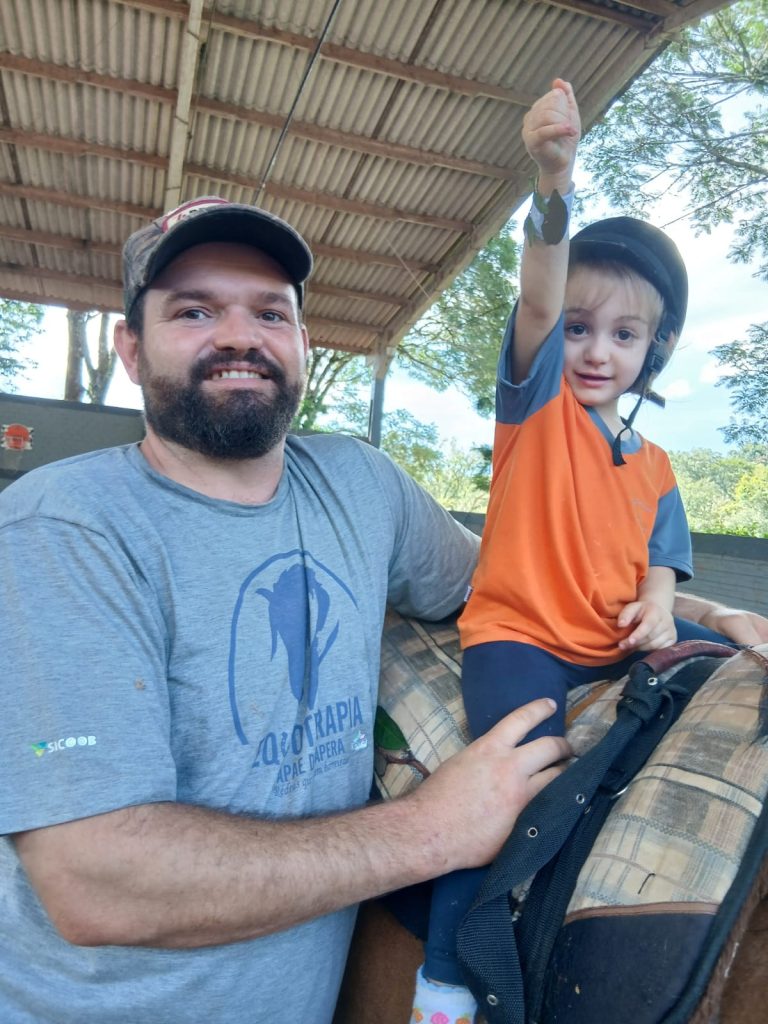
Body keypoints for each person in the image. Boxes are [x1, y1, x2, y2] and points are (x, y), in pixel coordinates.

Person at [0, 200, 761, 1024]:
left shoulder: (359, 485)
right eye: (193, 311)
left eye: (270, 313)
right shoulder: (64, 528)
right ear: (129, 347)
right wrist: (433, 830)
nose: (240, 337)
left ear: (302, 342)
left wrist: (698, 609)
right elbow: (93, 881)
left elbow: (524, 572)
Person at [411, 79, 760, 1024]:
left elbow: (661, 565)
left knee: (725, 680)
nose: (597, 350)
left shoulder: (657, 464)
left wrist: (679, 606)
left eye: (624, 333)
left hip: (611, 644)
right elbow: (536, 296)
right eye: (578, 328)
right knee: (504, 783)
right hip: (521, 639)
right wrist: (554, 183)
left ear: (654, 347)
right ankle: (443, 981)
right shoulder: (537, 409)